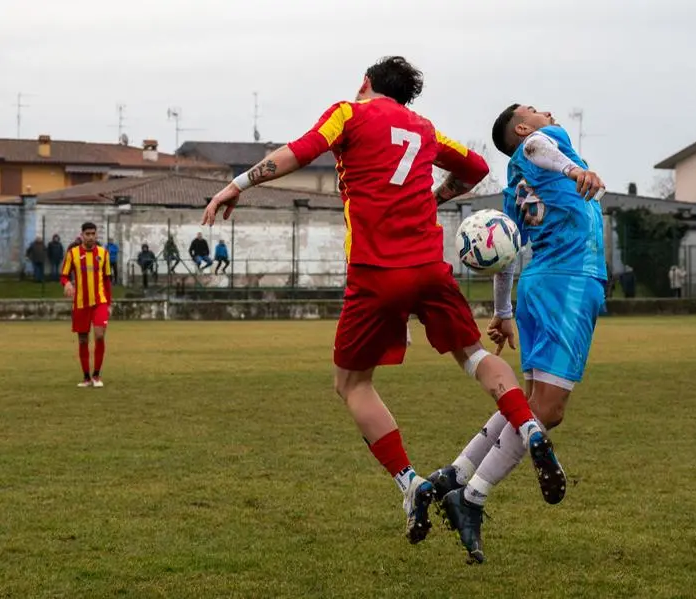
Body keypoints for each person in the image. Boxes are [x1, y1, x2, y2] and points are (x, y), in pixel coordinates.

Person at [202, 56, 565, 546]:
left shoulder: (350, 112)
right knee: (475, 355)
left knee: (351, 384)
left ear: (365, 83)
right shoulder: (423, 127)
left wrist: (236, 184)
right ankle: (530, 429)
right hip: (428, 267)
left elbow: (299, 151)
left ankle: (409, 482)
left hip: (375, 273)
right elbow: (477, 167)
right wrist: (437, 197)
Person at [428, 103, 607, 563]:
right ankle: (471, 498)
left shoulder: (515, 187)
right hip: (569, 281)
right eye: (534, 109)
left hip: (540, 286)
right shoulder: (543, 146)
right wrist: (573, 169)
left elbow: (506, 249)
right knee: (549, 410)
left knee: (527, 406)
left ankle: (457, 472)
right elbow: (540, 145)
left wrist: (504, 309)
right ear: (523, 127)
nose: (546, 109)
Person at [60, 222, 112, 388]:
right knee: (83, 340)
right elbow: (64, 275)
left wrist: (109, 303)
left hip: (100, 302)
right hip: (81, 303)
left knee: (99, 335)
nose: (90, 237)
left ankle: (97, 375)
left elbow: (107, 280)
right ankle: (86, 377)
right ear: (82, 235)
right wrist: (67, 284)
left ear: (96, 235)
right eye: (87, 234)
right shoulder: (73, 253)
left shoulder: (104, 253)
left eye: (93, 234)